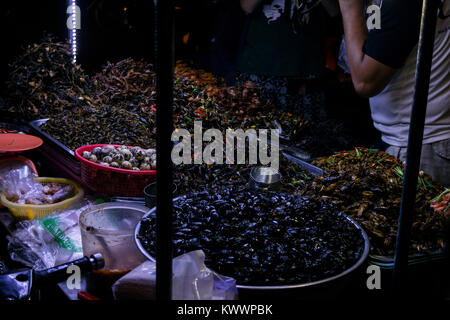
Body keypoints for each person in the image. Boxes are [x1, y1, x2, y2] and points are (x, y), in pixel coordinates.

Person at [338, 0, 450, 187]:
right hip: (428, 137)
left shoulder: (402, 4)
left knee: (417, 215)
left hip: (423, 145)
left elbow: (365, 82)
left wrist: (350, 8)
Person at [237, 0, 339, 115]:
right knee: (258, 128)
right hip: (261, 69)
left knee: (307, 129)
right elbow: (247, 6)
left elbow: (334, 11)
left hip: (306, 71)